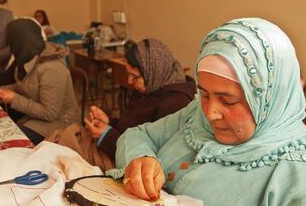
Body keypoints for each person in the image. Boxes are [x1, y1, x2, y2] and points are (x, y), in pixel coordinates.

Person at [110, 18, 306, 206]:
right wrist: (141, 159)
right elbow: (137, 135)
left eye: (228, 100)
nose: (211, 113)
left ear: (270, 99)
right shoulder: (195, 115)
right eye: (204, 94)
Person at [48, 38, 196, 171]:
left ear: (153, 71)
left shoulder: (176, 104)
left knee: (61, 149)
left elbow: (150, 157)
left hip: (128, 161)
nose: (129, 82)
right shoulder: (149, 86)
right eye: (128, 75)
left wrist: (105, 135)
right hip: (116, 146)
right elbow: (132, 126)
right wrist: (110, 121)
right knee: (61, 140)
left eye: (134, 76)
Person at [0, 18, 81, 145]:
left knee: (9, 140)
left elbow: (50, 113)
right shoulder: (27, 58)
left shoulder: (51, 68)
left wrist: (14, 99)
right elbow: (23, 87)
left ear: (19, 41)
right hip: (37, 118)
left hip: (61, 124)